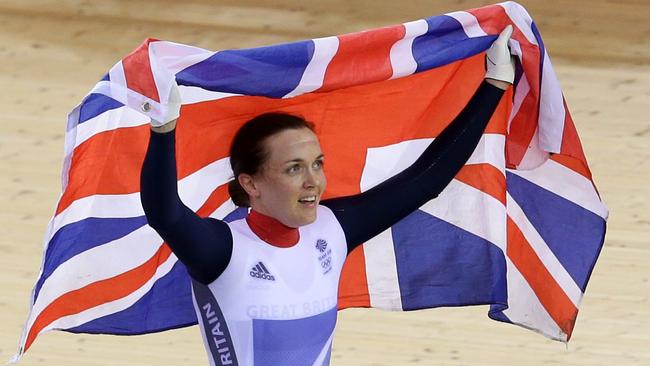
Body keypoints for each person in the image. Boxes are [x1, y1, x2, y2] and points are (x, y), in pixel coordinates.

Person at [140, 26, 515, 366]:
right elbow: (165, 214)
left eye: (317, 164)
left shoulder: (331, 230)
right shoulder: (223, 250)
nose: (313, 181)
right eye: (293, 168)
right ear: (251, 184)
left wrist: (493, 85)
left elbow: (424, 181)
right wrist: (164, 130)